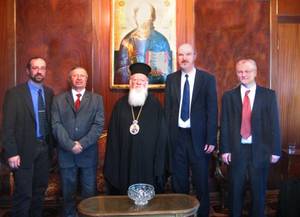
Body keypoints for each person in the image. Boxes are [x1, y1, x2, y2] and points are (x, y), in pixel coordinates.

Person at [220, 59, 281, 217]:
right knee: (235, 192)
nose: (243, 75)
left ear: (254, 72)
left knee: (258, 193)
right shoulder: (229, 96)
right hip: (236, 151)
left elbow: (274, 124)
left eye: (247, 71)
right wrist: (225, 149)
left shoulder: (268, 95)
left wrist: (275, 150)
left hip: (260, 151)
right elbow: (225, 124)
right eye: (240, 72)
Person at [165, 43, 218, 217]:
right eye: (181, 54)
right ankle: (181, 214)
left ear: (195, 56)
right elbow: (168, 110)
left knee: (201, 181)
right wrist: (168, 137)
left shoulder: (207, 79)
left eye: (188, 54)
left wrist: (211, 139)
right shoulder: (171, 79)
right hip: (177, 137)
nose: (184, 58)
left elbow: (212, 110)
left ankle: (202, 214)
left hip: (200, 139)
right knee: (179, 182)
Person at [2, 57, 54, 217]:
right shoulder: (15, 94)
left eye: (42, 68)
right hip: (23, 151)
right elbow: (7, 126)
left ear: (45, 71)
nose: (39, 71)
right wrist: (11, 152)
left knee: (39, 192)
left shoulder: (49, 93)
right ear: (28, 71)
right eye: (35, 68)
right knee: (23, 194)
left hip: (44, 149)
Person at [104, 62, 167, 194]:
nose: (138, 82)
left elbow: (162, 137)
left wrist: (158, 163)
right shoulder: (120, 106)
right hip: (125, 159)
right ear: (130, 82)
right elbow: (113, 138)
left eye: (142, 80)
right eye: (135, 79)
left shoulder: (156, 106)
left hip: (149, 161)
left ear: (147, 83)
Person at [51, 67, 104, 217]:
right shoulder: (58, 100)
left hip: (88, 153)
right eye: (75, 76)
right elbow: (56, 124)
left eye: (82, 76)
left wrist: (82, 144)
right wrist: (70, 145)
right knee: (68, 194)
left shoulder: (97, 99)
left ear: (87, 80)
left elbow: (98, 125)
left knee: (89, 193)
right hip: (66, 154)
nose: (79, 78)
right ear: (70, 79)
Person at [115, 2, 172, 84]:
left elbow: (167, 73)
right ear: (135, 17)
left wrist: (159, 72)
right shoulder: (127, 41)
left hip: (155, 86)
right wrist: (132, 71)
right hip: (134, 86)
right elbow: (120, 71)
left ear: (153, 18)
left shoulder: (161, 41)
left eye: (147, 16)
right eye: (141, 15)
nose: (144, 20)